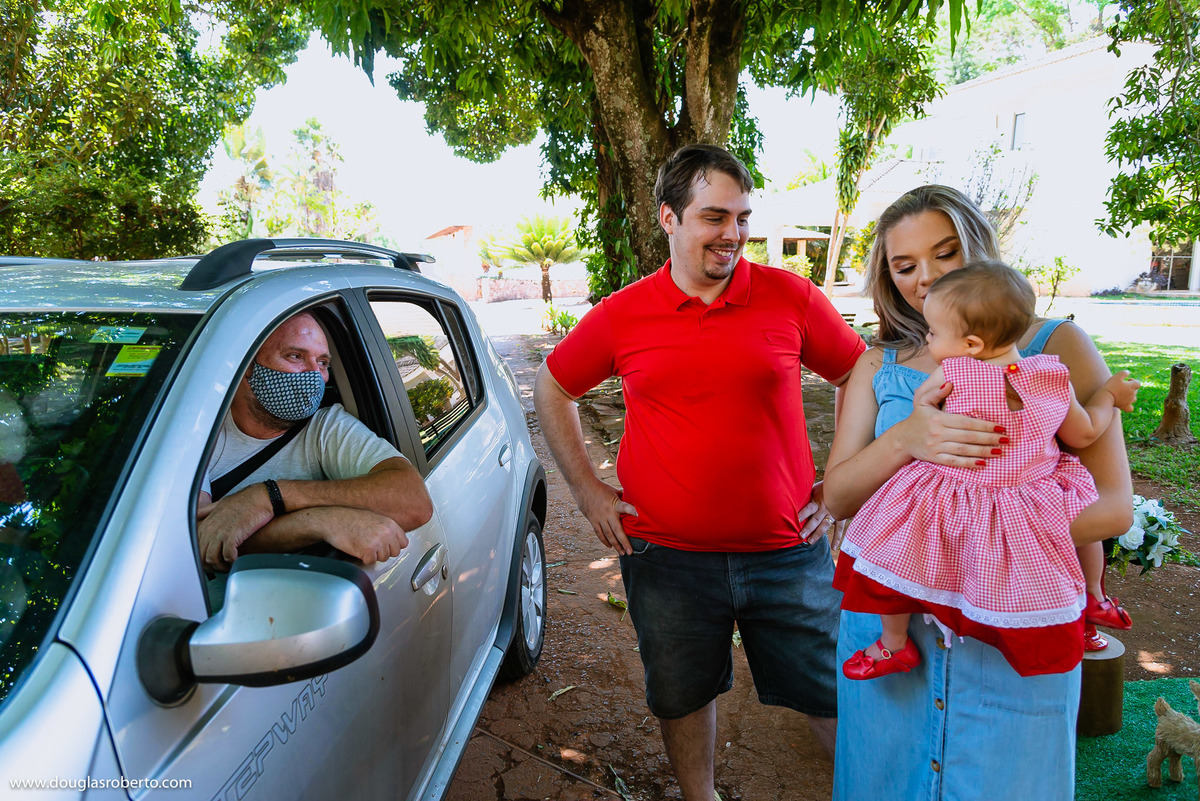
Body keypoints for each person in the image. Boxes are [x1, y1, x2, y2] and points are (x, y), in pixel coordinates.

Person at [533, 143, 866, 800]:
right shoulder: (624, 313)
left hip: (788, 550)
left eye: (742, 217)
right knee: (681, 691)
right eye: (715, 217)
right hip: (665, 555)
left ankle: (866, 789)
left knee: (829, 689)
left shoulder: (790, 298)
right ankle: (699, 795)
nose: (733, 234)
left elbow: (858, 371)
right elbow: (553, 386)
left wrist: (844, 478)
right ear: (669, 218)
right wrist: (589, 491)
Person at [823, 185, 1135, 800]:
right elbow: (836, 498)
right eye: (904, 265)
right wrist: (907, 438)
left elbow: (1114, 506)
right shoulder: (877, 362)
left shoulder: (1057, 349)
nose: (926, 278)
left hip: (1013, 621)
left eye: (945, 253)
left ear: (979, 247)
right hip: (897, 622)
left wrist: (985, 552)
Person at [836, 260, 1139, 681]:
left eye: (935, 333)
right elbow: (1085, 433)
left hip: (960, 489)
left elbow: (924, 410)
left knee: (896, 548)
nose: (929, 340)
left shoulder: (955, 373)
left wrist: (923, 412)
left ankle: (894, 643)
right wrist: (1108, 395)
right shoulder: (1052, 376)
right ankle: (1092, 595)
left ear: (972, 344)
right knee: (1071, 501)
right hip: (1030, 493)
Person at [197, 311, 433, 572]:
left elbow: (413, 501)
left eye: (322, 363)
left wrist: (269, 496)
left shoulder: (326, 427)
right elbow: (198, 541)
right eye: (296, 356)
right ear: (247, 365)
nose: (314, 376)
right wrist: (316, 522)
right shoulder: (200, 429)